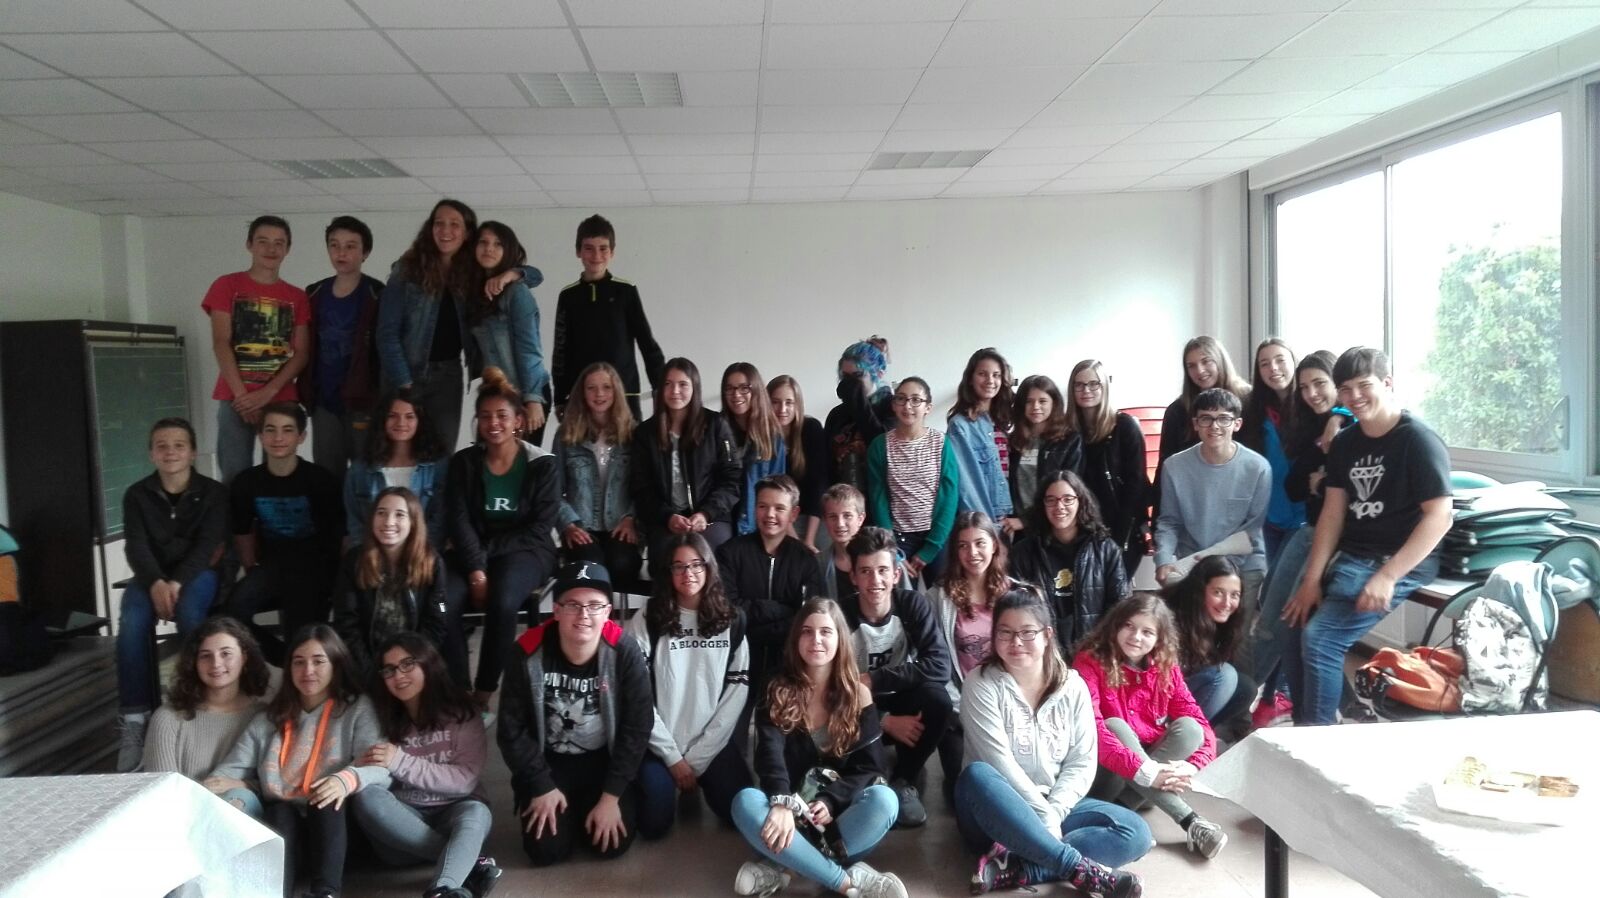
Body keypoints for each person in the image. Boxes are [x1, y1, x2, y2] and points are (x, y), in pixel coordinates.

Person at [1282, 347, 1452, 726]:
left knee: (1321, 639)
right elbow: (1332, 513)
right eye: (1345, 389)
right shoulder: (1346, 443)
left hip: (1400, 560)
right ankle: (1305, 726)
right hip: (1353, 556)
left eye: (1364, 385)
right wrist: (1311, 580)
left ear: (1387, 383)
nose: (1354, 396)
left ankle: (1317, 737)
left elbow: (1440, 517)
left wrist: (1388, 576)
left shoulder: (1418, 440)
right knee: (1294, 627)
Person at [955, 588, 1148, 896]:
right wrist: (1045, 819)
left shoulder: (1073, 686)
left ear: (1047, 635)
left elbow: (1082, 761)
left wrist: (1054, 811)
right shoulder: (980, 683)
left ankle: (1017, 869)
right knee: (977, 775)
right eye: (1005, 632)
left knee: (1135, 832)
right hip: (997, 810)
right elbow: (998, 762)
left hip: (1054, 802)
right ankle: (1077, 868)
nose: (1016, 642)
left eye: (1027, 632)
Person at [729, 598, 908, 898]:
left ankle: (785, 868)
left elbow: (872, 769)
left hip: (838, 821)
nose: (816, 640)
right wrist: (782, 803)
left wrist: (831, 800)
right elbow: (769, 756)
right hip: (786, 819)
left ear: (840, 639)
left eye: (826, 631)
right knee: (745, 801)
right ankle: (847, 882)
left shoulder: (858, 695)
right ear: (796, 638)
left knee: (885, 800)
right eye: (807, 631)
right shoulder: (776, 688)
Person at [208, 625, 388, 898]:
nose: (308, 671)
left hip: (339, 833)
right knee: (280, 812)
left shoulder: (357, 708)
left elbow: (380, 768)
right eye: (299, 662)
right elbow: (225, 775)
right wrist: (245, 784)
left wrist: (345, 780)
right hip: (290, 835)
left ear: (336, 664)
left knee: (324, 798)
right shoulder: (269, 719)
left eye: (318, 661)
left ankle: (325, 893)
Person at [498, 562, 653, 867]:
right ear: (556, 611)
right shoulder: (525, 651)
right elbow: (510, 729)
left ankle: (588, 807)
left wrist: (611, 797)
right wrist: (540, 785)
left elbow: (637, 726)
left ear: (607, 612)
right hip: (550, 762)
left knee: (611, 845)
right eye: (572, 605)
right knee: (545, 852)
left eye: (594, 606)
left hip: (603, 759)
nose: (584, 615)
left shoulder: (625, 651)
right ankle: (570, 813)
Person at [378, 199, 541, 451]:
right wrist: (405, 383)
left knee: (442, 456)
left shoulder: (471, 272)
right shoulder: (407, 270)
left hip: (447, 377)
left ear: (467, 234)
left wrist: (513, 273)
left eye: (454, 224)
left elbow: (535, 275)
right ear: (430, 228)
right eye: (439, 223)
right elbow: (386, 334)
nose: (446, 230)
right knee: (398, 454)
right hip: (405, 374)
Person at [1072, 595, 1226, 861]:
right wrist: (1146, 774)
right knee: (1114, 726)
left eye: (1147, 632)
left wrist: (1194, 766)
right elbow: (1092, 728)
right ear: (1115, 624)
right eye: (1129, 626)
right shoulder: (1089, 661)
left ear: (1159, 638)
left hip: (1142, 772)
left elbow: (1199, 722)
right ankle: (1191, 820)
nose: (1136, 637)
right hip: (1103, 769)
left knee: (1191, 729)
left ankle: (1122, 808)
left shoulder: (1165, 666)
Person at [116, 417, 230, 771]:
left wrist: (177, 583)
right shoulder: (137, 495)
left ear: (193, 452)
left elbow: (207, 546)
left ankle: (197, 705)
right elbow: (136, 546)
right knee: (132, 619)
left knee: (191, 615)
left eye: (179, 445)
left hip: (198, 573)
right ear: (151, 454)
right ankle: (136, 719)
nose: (170, 452)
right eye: (162, 446)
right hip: (152, 576)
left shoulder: (213, 493)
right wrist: (155, 582)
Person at [350, 633, 500, 898]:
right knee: (367, 796)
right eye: (389, 670)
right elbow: (371, 769)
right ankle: (469, 862)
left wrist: (399, 760)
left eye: (408, 664)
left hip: (455, 815)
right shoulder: (380, 716)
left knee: (477, 812)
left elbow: (464, 780)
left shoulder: (462, 712)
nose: (399, 675)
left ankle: (443, 888)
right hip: (401, 834)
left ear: (428, 663)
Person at [444, 367, 560, 705]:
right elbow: (458, 519)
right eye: (485, 416)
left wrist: (481, 561)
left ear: (518, 421)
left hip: (526, 550)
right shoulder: (464, 463)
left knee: (504, 601)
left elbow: (539, 528)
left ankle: (484, 690)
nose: (493, 423)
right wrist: (476, 568)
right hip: (471, 550)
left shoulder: (543, 465)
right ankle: (459, 689)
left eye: (502, 416)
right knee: (441, 603)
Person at [624, 534, 752, 837]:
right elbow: (637, 697)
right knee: (654, 825)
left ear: (709, 567)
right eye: (678, 566)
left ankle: (695, 781)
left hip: (711, 742)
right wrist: (672, 758)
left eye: (696, 564)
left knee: (740, 813)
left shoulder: (732, 619)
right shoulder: (648, 617)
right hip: (659, 741)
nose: (688, 573)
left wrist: (695, 760)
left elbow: (736, 694)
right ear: (667, 572)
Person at [1248, 350, 1348, 727]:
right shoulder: (1311, 427)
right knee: (1279, 620)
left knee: (1294, 625)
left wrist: (1340, 418)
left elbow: (1347, 491)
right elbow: (1294, 485)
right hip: (1308, 528)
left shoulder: (1350, 425)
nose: (1311, 393)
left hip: (1331, 538)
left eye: (1319, 384)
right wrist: (1318, 478)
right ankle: (1249, 697)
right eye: (1304, 387)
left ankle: (1258, 700)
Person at [838, 526, 951, 829]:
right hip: (856, 711)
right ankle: (868, 779)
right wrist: (883, 720)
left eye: (882, 571)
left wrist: (875, 679)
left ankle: (904, 780)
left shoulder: (913, 605)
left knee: (938, 701)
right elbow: (830, 688)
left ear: (896, 575)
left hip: (900, 699)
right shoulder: (839, 616)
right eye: (865, 571)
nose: (875, 580)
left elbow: (939, 666)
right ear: (853, 576)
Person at [1153, 387, 1270, 674]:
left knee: (1235, 640)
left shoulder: (1258, 468)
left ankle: (1240, 699)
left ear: (1237, 424)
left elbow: (1252, 530)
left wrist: (1219, 566)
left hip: (1243, 564)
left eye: (1223, 419)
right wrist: (1164, 559)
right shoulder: (1174, 466)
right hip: (1192, 563)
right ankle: (1195, 695)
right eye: (1205, 418)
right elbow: (1169, 521)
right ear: (1195, 424)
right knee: (1190, 635)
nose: (1214, 426)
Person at [717, 476, 828, 753]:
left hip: (787, 663)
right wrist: (781, 609)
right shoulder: (730, 553)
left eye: (779, 508)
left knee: (781, 749)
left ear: (794, 513)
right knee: (730, 746)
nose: (770, 514)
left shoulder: (805, 560)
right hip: (738, 661)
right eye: (763, 506)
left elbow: (809, 617)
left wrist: (755, 616)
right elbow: (728, 610)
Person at [228, 403, 344, 664]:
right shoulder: (246, 482)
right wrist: (251, 568)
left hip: (314, 569)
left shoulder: (321, 480)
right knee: (233, 613)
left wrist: (333, 580)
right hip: (271, 566)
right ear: (260, 435)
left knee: (300, 634)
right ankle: (284, 659)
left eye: (287, 430)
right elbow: (242, 530)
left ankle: (295, 665)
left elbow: (339, 536)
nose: (278, 437)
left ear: (301, 437)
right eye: (270, 430)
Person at [203, 215, 311, 482]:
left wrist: (268, 392)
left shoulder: (297, 296)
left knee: (280, 473)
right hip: (234, 396)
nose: (271, 249)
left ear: (288, 249)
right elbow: (220, 342)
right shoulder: (227, 285)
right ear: (249, 244)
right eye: (263, 241)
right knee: (234, 474)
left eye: (279, 243)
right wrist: (243, 397)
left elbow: (301, 353)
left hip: (280, 397)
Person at [927, 512, 1019, 801]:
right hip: (959, 708)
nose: (972, 553)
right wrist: (964, 708)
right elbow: (935, 661)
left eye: (980, 543)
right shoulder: (938, 597)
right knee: (966, 791)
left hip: (1008, 704)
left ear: (994, 545)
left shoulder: (1016, 594)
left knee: (1010, 786)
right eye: (963, 545)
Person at [144, 617, 271, 803]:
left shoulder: (265, 717)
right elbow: (161, 793)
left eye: (226, 653)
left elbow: (278, 787)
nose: (216, 664)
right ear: (194, 662)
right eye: (205, 656)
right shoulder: (167, 718)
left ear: (244, 657)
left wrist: (241, 785)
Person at [551, 214, 665, 422]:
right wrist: (560, 397)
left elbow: (647, 342)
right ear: (578, 251)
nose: (596, 255)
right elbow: (561, 351)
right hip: (581, 394)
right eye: (589, 248)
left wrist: (660, 385)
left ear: (612, 252)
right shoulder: (568, 296)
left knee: (630, 443)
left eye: (603, 248)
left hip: (624, 393)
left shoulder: (626, 291)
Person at [630, 357, 742, 564]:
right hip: (664, 519)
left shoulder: (716, 425)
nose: (675, 391)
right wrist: (667, 516)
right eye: (668, 384)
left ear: (694, 388)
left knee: (710, 558)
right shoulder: (645, 433)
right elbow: (641, 488)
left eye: (683, 384)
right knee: (666, 560)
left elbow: (731, 479)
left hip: (711, 517)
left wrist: (706, 513)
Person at [332, 487, 448, 678]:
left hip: (415, 664)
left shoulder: (432, 562)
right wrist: (371, 673)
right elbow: (346, 623)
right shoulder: (354, 561)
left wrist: (412, 665)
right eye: (381, 513)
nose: (389, 522)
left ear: (413, 522)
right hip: (365, 664)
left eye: (400, 514)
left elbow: (439, 616)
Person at [1010, 471, 1131, 649]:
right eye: (1051, 500)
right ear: (1042, 505)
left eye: (1068, 499)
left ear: (1080, 501)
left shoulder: (1105, 549)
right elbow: (1016, 608)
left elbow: (1119, 606)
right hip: (1042, 650)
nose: (1059, 506)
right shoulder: (1024, 552)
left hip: (1093, 649)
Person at [302, 215, 384, 471]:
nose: (341, 252)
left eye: (350, 246)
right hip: (324, 400)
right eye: (334, 245)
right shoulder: (314, 293)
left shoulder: (378, 294)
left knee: (366, 473)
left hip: (364, 400)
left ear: (365, 252)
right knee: (327, 475)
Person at [553, 361, 642, 596]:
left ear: (616, 392)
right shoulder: (565, 435)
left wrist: (631, 518)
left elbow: (644, 486)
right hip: (581, 526)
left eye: (606, 387)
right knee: (589, 567)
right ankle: (595, 619)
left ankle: (614, 619)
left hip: (621, 525)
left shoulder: (634, 433)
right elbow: (553, 490)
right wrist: (568, 525)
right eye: (591, 388)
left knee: (621, 564)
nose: (599, 394)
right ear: (582, 393)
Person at [867, 376, 959, 587]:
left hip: (936, 536)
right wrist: (892, 548)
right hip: (897, 538)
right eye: (901, 399)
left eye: (916, 400)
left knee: (944, 595)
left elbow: (949, 497)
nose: (908, 406)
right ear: (893, 404)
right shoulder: (880, 446)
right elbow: (878, 499)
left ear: (928, 407)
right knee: (899, 596)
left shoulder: (941, 443)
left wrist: (931, 548)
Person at [468, 221, 552, 445]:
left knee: (522, 462)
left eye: (498, 244)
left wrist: (533, 399)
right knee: (489, 460)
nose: (489, 248)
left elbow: (529, 348)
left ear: (508, 250)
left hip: (525, 392)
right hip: (495, 393)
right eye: (483, 242)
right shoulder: (472, 291)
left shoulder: (516, 292)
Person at [1066, 361, 1149, 581]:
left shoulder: (1125, 426)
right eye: (1079, 385)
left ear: (1104, 387)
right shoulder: (1067, 432)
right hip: (1080, 529)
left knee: (1115, 595)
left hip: (1121, 527)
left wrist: (1119, 538)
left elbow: (1136, 485)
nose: (1086, 390)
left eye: (1094, 384)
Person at [1153, 337, 1249, 514]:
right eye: (1191, 365)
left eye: (1206, 361)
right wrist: (1158, 519)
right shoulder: (1178, 410)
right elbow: (1165, 465)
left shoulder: (1248, 401)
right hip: (1192, 503)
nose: (1200, 370)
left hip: (1238, 499)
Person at [344, 390, 449, 550]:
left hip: (422, 553)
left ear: (420, 421)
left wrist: (421, 555)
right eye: (392, 416)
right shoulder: (360, 469)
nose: (401, 423)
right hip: (373, 554)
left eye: (409, 416)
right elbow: (355, 521)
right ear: (382, 420)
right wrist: (366, 556)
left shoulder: (437, 466)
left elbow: (439, 520)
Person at [1164, 556, 1254, 731]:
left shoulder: (1225, 623)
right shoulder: (1169, 617)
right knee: (1223, 675)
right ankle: (1180, 737)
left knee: (1245, 688)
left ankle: (1197, 735)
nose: (1227, 603)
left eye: (1234, 595)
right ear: (1199, 591)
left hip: (1180, 693)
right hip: (1152, 698)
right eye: (1218, 592)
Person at [1238, 339, 1304, 564]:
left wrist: (1338, 417)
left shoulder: (1310, 404)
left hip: (1306, 520)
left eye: (1280, 360)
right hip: (1270, 519)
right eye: (1264, 364)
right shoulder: (1252, 411)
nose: (1273, 368)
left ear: (1294, 363)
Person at [946, 349, 1017, 532]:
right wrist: (987, 528)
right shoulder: (960, 425)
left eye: (996, 375)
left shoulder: (1006, 420)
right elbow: (967, 485)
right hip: (986, 519)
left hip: (1010, 517)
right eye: (982, 374)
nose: (990, 380)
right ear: (970, 378)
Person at [1008, 375, 1083, 530]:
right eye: (1029, 401)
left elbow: (1070, 490)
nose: (1035, 407)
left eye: (1042, 401)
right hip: (1017, 527)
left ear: (1054, 403)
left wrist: (1027, 521)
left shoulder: (1070, 440)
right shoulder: (1014, 441)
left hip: (1055, 525)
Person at [722, 362, 786, 536]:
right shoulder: (716, 430)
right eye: (730, 388)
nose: (736, 394)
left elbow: (778, 488)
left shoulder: (772, 435)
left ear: (756, 390)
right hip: (722, 517)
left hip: (755, 523)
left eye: (744, 388)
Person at [824, 336, 894, 495]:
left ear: (878, 374)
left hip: (880, 499)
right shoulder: (836, 415)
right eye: (845, 377)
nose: (850, 384)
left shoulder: (892, 408)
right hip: (842, 501)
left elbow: (883, 447)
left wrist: (858, 402)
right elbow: (826, 463)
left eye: (858, 376)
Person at [769, 374, 829, 552]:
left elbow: (818, 484)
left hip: (813, 515)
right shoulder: (762, 436)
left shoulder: (811, 429)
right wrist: (794, 539)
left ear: (798, 405)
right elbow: (772, 490)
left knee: (824, 550)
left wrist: (809, 540)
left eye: (789, 402)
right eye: (775, 402)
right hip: (778, 515)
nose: (782, 409)